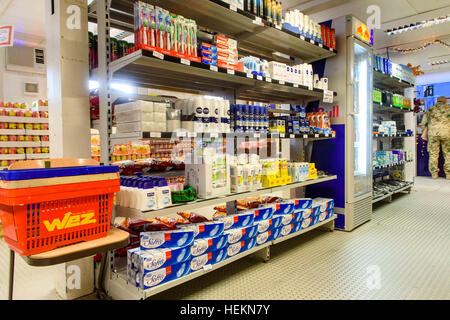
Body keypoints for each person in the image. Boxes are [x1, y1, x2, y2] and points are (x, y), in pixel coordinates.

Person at [421, 96, 450, 179]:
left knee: (433, 154)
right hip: (447, 133)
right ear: (445, 101)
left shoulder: (430, 109)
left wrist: (424, 133)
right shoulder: (449, 108)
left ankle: (434, 174)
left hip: (433, 134)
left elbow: (424, 123)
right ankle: (448, 174)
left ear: (437, 101)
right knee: (448, 153)